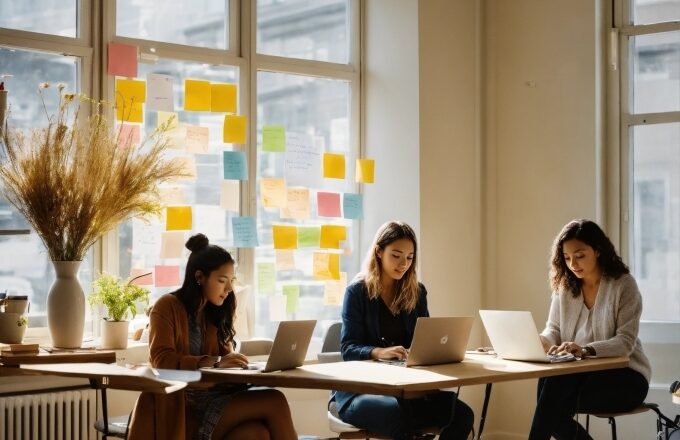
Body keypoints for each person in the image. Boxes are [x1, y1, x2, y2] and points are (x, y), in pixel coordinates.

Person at [129, 233, 297, 440]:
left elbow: (225, 363)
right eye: (222, 280)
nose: (229, 289)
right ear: (199, 277)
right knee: (274, 400)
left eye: (231, 281)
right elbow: (162, 361)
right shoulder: (166, 306)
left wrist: (242, 368)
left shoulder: (215, 311)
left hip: (214, 398)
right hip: (183, 407)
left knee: (256, 434)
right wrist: (215, 362)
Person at [333, 221, 474, 440]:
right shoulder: (357, 292)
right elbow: (348, 348)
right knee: (396, 415)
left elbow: (426, 341)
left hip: (409, 391)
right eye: (396, 255)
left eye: (409, 257)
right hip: (362, 392)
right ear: (379, 251)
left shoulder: (416, 292)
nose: (403, 264)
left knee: (462, 415)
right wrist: (378, 352)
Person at [530, 219, 651, 440]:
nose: (573, 263)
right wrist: (541, 341)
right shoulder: (564, 288)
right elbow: (553, 329)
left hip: (626, 378)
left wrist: (584, 350)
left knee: (551, 403)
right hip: (580, 376)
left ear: (598, 250)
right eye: (566, 258)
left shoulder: (624, 285)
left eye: (579, 255)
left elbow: (625, 342)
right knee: (549, 387)